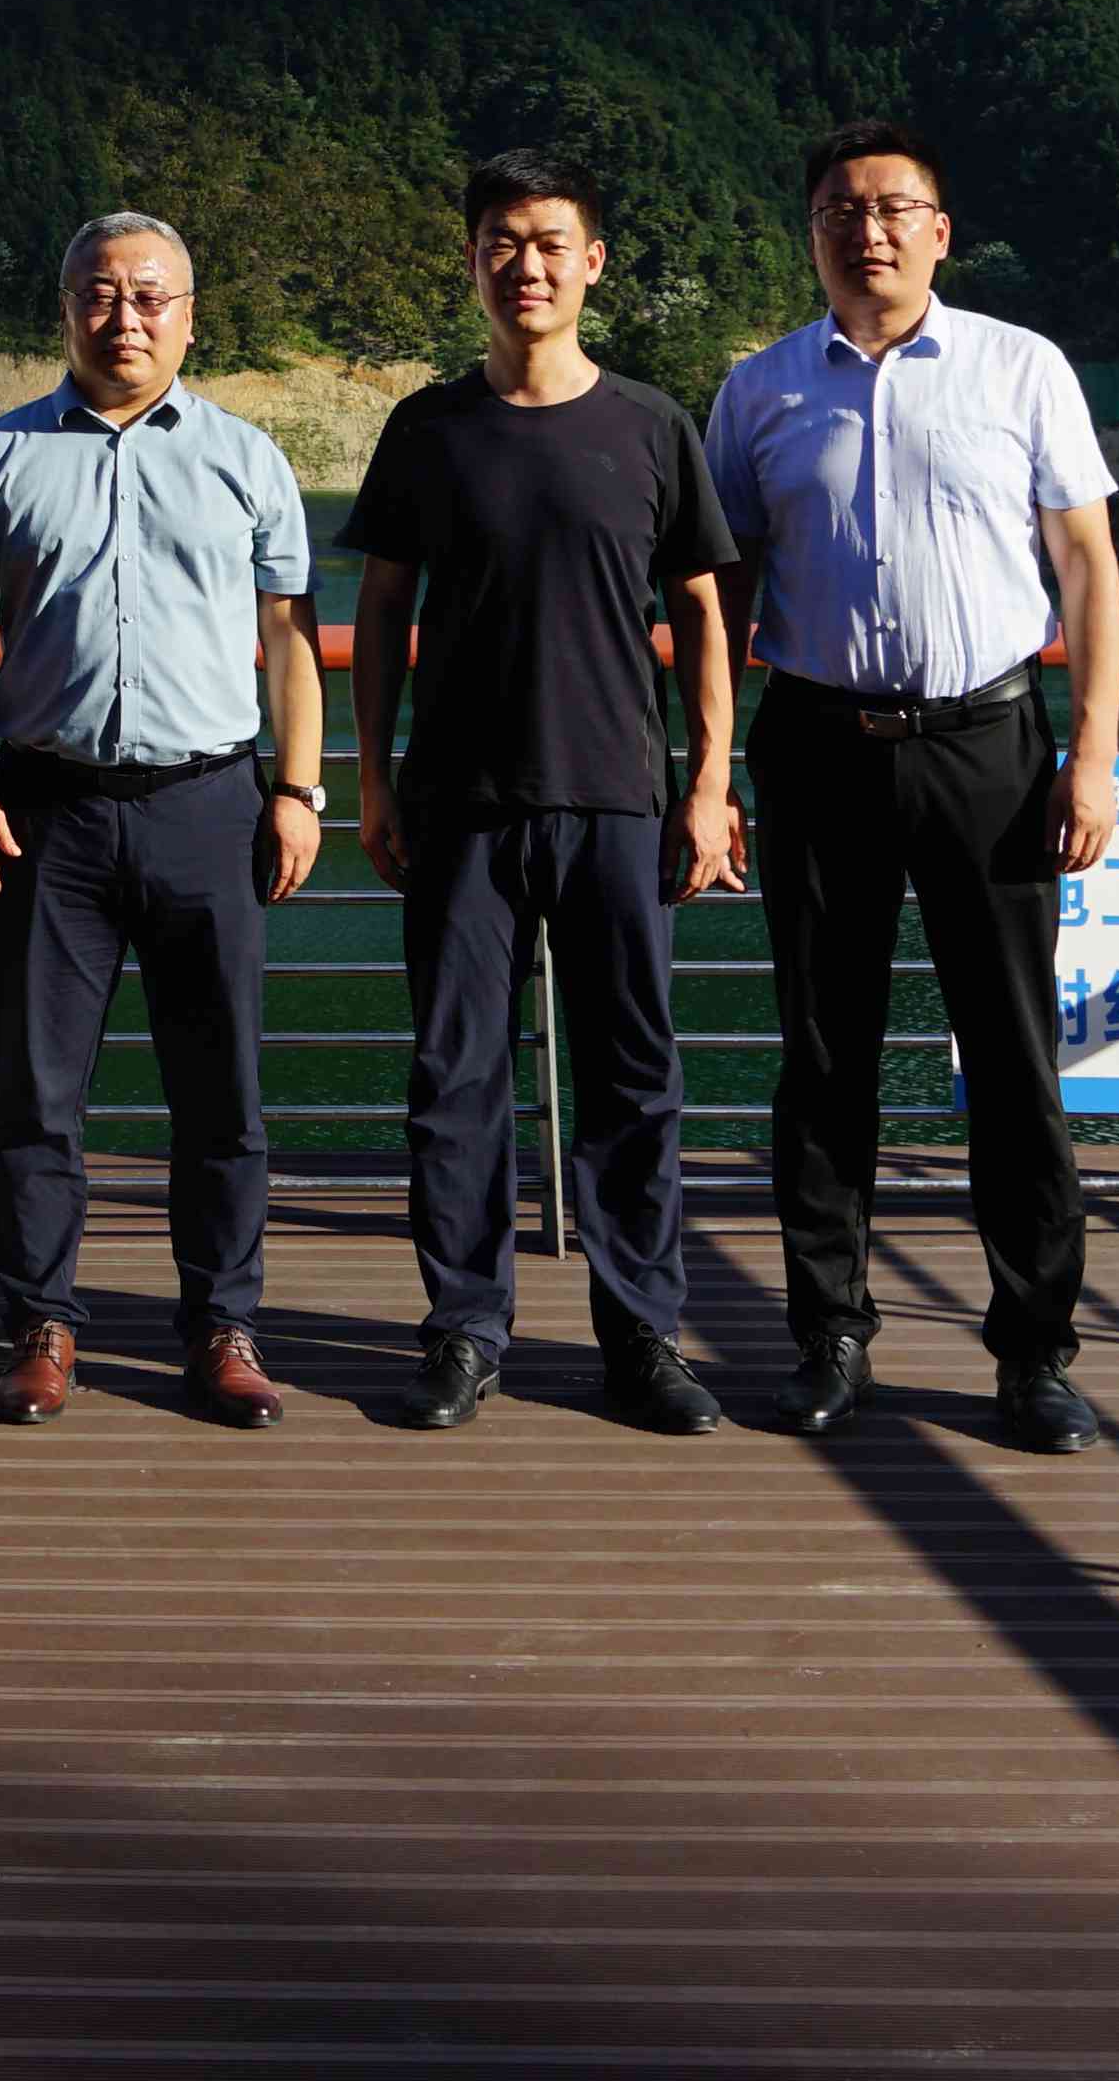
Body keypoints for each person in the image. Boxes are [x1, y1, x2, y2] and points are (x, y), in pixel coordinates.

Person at [704, 120, 1119, 1454]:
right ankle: (829, 1334)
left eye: (894, 208)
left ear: (941, 232)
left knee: (1012, 1056)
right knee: (825, 1056)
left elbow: (1088, 567)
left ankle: (1035, 1351)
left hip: (988, 746)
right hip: (815, 742)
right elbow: (717, 592)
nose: (868, 229)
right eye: (842, 209)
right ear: (812, 235)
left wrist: (1095, 752)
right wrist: (707, 769)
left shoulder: (1021, 367)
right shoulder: (759, 390)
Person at [343, 148, 744, 1436]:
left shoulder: (650, 424)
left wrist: (710, 782)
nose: (527, 264)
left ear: (593, 262)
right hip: (459, 801)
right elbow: (382, 609)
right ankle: (466, 1328)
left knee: (633, 1077)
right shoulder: (427, 428)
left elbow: (703, 611)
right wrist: (372, 779)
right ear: (473, 261)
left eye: (551, 241)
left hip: (620, 796)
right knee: (456, 1078)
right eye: (502, 241)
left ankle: (642, 1335)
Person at [0, 210, 325, 1428]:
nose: (126, 318)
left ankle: (224, 1325)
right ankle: (41, 1324)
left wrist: (299, 790)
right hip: (48, 809)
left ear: (189, 317)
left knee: (222, 1094)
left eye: (152, 296)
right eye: (102, 294)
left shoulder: (248, 457)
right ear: (67, 310)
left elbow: (289, 641)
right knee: (38, 1093)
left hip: (212, 804)